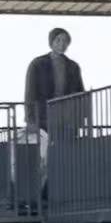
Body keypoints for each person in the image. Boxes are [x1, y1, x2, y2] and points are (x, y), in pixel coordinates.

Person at [23, 27, 85, 163]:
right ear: (51, 42)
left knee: (66, 155)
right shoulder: (38, 64)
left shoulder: (73, 67)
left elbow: (80, 92)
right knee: (43, 155)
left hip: (67, 118)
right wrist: (30, 118)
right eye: (58, 40)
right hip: (44, 117)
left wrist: (81, 118)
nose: (62, 44)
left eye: (65, 41)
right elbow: (30, 93)